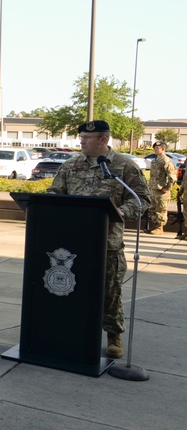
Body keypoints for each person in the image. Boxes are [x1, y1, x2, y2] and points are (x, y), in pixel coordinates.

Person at [47, 120, 149, 359]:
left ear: (103, 140)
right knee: (70, 289)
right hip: (72, 245)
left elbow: (142, 199)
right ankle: (70, 331)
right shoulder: (71, 165)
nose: (81, 141)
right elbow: (55, 193)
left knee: (110, 291)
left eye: (87, 138)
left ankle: (113, 335)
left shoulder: (124, 166)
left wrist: (123, 211)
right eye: (81, 137)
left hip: (107, 244)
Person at [147, 141, 177, 235]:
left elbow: (172, 177)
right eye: (155, 148)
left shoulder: (166, 161)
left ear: (163, 149)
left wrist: (168, 188)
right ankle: (154, 225)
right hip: (154, 189)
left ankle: (160, 228)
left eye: (158, 148)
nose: (155, 150)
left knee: (161, 209)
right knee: (153, 208)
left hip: (161, 190)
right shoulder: (155, 160)